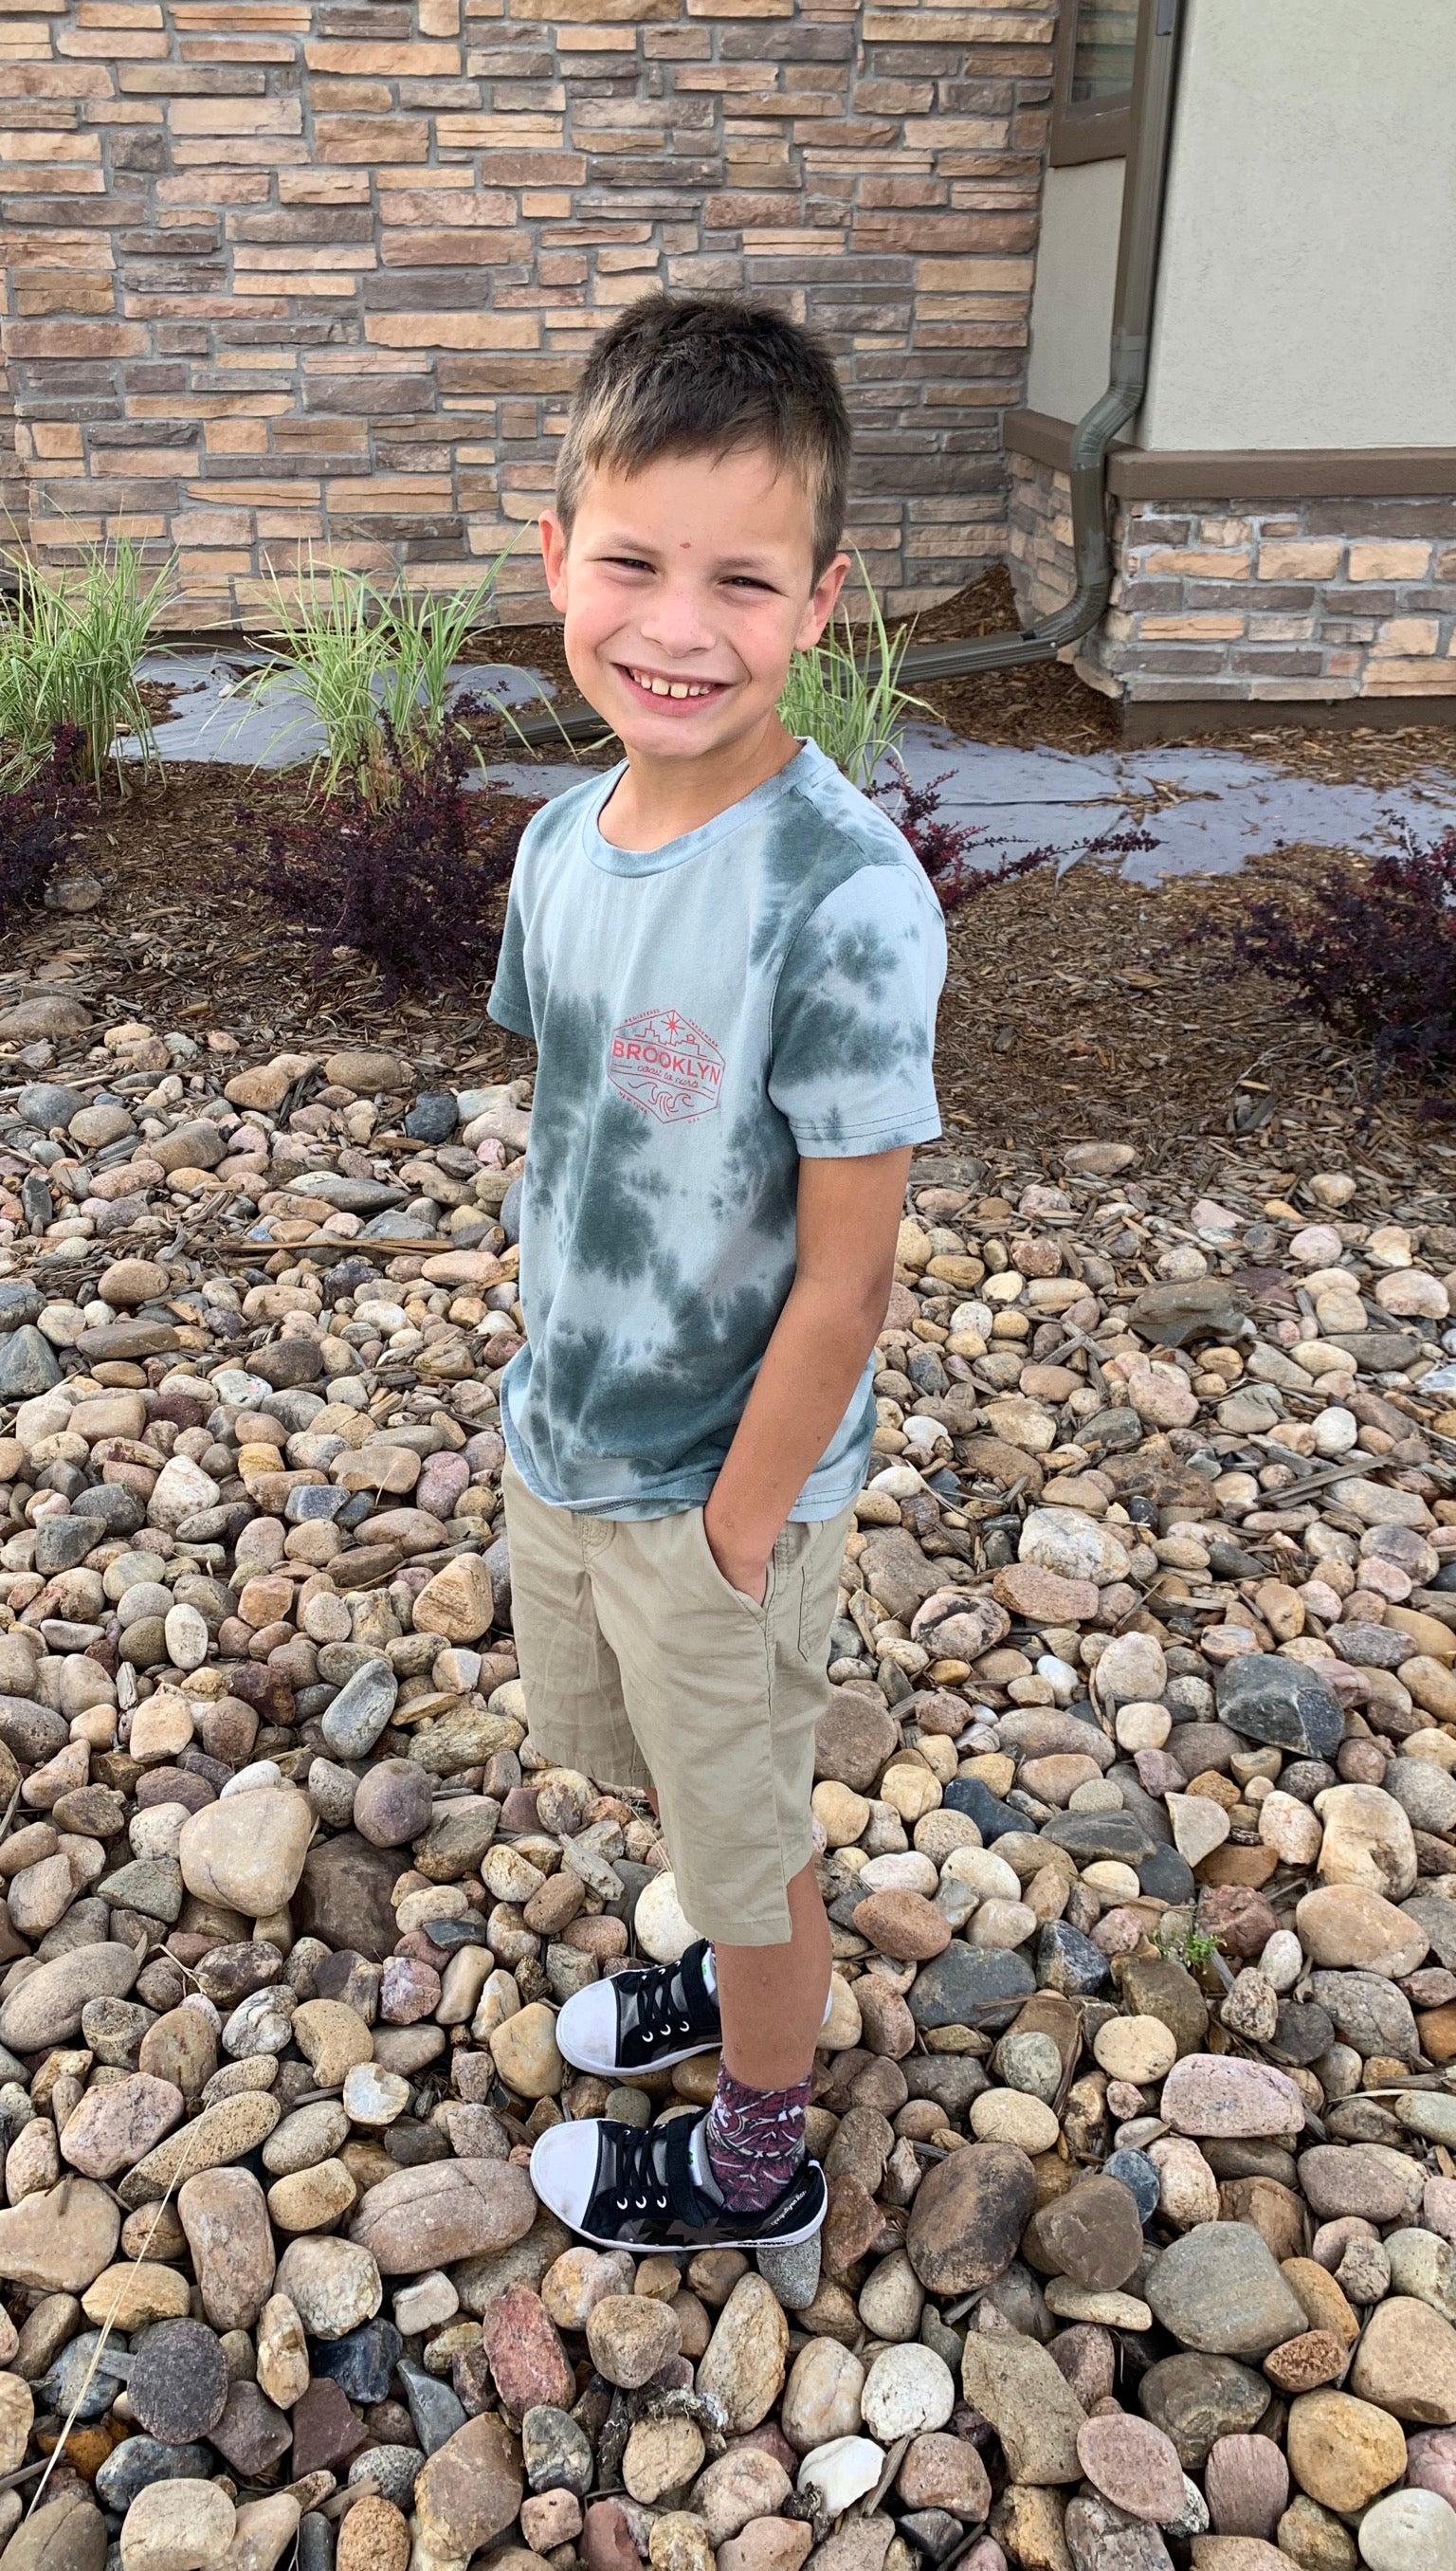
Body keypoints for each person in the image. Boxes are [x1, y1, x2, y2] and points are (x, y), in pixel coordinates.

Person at [487, 292, 946, 2252]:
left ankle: (763, 2147)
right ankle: (719, 1961)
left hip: (714, 1497)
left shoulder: (843, 901)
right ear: (556, 558)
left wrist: (742, 1529)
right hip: (569, 1441)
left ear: (820, 601)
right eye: (636, 564)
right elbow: (578, 1129)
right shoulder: (557, 846)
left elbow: (848, 1279)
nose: (679, 628)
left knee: (753, 1854)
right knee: (670, 1783)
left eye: (743, 581)